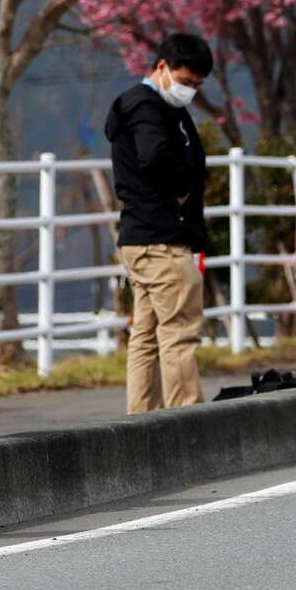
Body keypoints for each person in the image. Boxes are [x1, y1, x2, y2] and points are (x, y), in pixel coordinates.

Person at [105, 33, 214, 413]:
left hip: (141, 237)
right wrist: (181, 189)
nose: (190, 92)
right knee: (179, 332)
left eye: (197, 86)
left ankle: (142, 420)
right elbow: (154, 157)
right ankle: (186, 418)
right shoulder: (147, 107)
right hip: (161, 238)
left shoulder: (154, 105)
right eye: (185, 82)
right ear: (162, 66)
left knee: (146, 336)